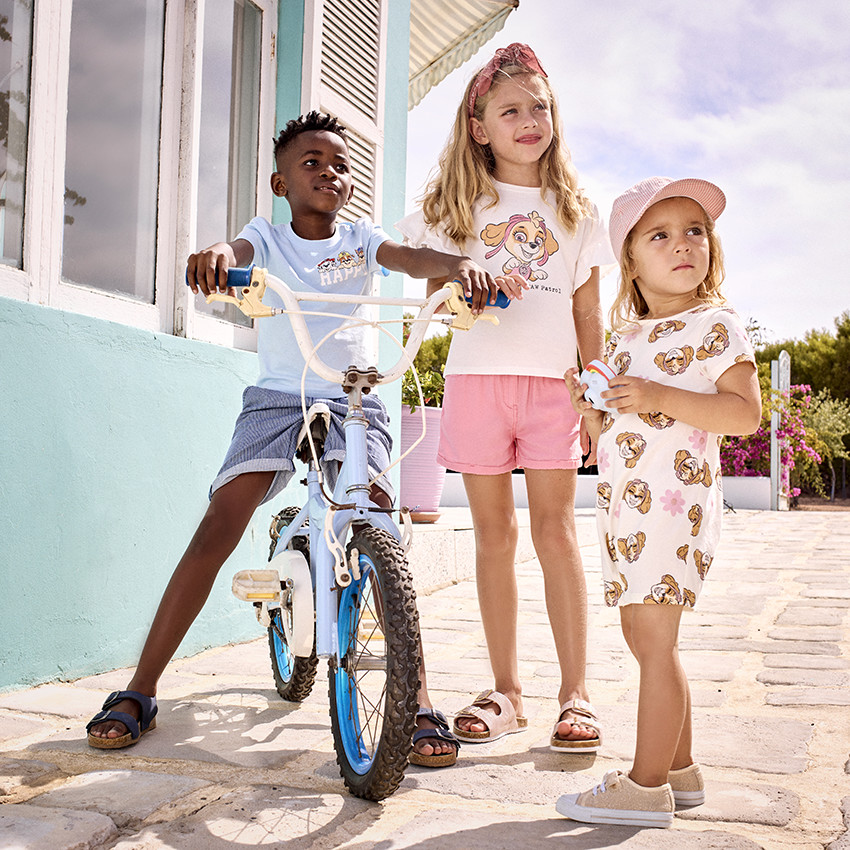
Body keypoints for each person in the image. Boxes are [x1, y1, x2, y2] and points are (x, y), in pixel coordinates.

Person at [85, 110, 506, 768]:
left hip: (356, 394)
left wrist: (455, 264)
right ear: (281, 183)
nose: (328, 172)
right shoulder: (268, 239)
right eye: (311, 162)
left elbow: (411, 258)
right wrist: (218, 259)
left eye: (339, 165)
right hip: (282, 394)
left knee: (379, 529)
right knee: (223, 518)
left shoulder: (363, 240)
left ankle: (416, 702)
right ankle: (140, 689)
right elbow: (235, 254)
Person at [396, 44, 613, 751]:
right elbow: (433, 298)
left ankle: (575, 693)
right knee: (495, 537)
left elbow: (589, 317)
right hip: (476, 386)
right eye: (511, 109)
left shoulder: (578, 210)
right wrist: (463, 286)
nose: (529, 120)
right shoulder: (452, 206)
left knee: (557, 533)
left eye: (540, 107)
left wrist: (595, 396)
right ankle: (508, 691)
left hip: (554, 389)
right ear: (479, 126)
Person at [557, 177, 762, 827]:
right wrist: (587, 407)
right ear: (631, 261)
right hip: (624, 517)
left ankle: (645, 788)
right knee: (647, 640)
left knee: (653, 639)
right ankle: (680, 771)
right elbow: (602, 438)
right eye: (661, 234)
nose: (683, 244)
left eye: (695, 230)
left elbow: (744, 415)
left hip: (676, 513)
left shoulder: (715, 325)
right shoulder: (620, 343)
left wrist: (658, 396)